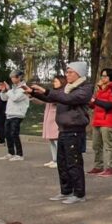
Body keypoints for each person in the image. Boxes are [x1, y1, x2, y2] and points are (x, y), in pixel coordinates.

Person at [29, 62, 93, 204]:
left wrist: (46, 91)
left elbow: (68, 98)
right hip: (63, 130)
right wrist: (33, 93)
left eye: (70, 72)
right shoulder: (66, 88)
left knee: (74, 163)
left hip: (75, 131)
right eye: (67, 72)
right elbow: (52, 98)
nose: (67, 74)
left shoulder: (85, 88)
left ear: (79, 73)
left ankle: (79, 193)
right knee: (62, 164)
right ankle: (66, 191)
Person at [88, 68, 112, 177]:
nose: (102, 78)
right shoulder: (101, 89)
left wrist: (95, 100)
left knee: (108, 146)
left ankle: (111, 168)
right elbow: (93, 105)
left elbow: (110, 105)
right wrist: (92, 98)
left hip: (108, 120)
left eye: (104, 76)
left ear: (110, 77)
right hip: (97, 120)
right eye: (101, 76)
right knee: (96, 145)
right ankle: (98, 166)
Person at [30, 74, 64, 167]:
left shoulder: (62, 93)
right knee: (51, 140)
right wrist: (32, 97)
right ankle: (54, 159)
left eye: (56, 81)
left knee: (57, 140)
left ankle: (59, 161)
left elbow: (52, 100)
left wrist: (42, 93)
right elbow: (43, 101)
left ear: (62, 82)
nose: (54, 83)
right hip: (48, 118)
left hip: (56, 119)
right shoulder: (52, 92)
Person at [0, 70, 30, 161]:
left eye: (13, 77)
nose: (11, 79)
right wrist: (3, 91)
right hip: (9, 114)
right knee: (7, 134)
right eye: (11, 77)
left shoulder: (24, 88)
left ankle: (19, 154)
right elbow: (4, 98)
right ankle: (10, 152)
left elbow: (15, 98)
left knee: (14, 134)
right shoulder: (13, 88)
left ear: (19, 77)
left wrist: (8, 90)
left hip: (18, 114)